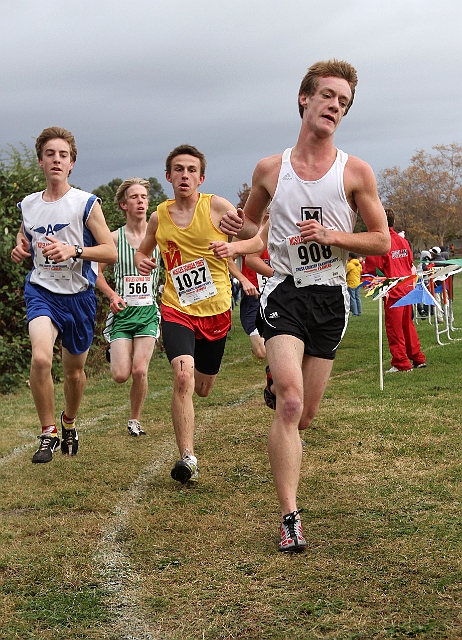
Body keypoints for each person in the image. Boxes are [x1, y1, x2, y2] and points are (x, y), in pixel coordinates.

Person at [221, 59, 390, 552]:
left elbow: (381, 240)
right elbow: (253, 227)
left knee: (306, 415)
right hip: (286, 290)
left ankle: (280, 377)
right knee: (291, 403)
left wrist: (334, 235)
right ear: (305, 99)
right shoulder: (270, 169)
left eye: (343, 102)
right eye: (328, 96)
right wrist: (239, 236)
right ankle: (290, 516)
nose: (335, 106)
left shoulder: (355, 171)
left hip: (332, 295)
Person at [10, 126, 117, 463]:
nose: (57, 160)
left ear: (71, 163)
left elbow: (110, 252)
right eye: (50, 154)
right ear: (41, 161)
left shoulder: (85, 203)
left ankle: (68, 419)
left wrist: (74, 250)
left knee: (73, 372)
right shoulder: (28, 204)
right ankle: (48, 433)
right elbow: (26, 234)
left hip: (79, 296)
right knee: (41, 358)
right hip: (41, 290)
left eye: (63, 155)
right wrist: (19, 246)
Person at [134, 144, 238, 484]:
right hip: (176, 308)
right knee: (183, 377)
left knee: (204, 388)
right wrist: (142, 260)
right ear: (168, 176)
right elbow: (143, 252)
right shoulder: (158, 216)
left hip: (216, 309)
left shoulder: (217, 206)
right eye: (178, 169)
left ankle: (191, 429)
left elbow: (252, 235)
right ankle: (187, 457)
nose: (184, 175)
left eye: (191, 170)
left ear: (201, 178)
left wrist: (239, 237)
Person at [96, 178, 160, 437]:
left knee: (140, 370)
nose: (141, 201)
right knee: (121, 375)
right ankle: (117, 351)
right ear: (123, 204)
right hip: (122, 313)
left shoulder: (158, 237)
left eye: (144, 196)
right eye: (134, 197)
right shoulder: (113, 238)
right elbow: (96, 273)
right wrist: (111, 295)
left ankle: (135, 420)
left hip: (148, 312)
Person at [376, 208, 426, 372]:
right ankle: (417, 357)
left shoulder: (383, 243)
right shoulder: (403, 241)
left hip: (393, 291)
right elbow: (410, 262)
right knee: (407, 325)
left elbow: (376, 268)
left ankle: (401, 362)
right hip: (407, 289)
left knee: (394, 328)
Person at [227, 215, 272, 359]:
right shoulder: (246, 231)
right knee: (261, 352)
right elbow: (227, 259)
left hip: (278, 292)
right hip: (254, 295)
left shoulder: (282, 224)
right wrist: (243, 279)